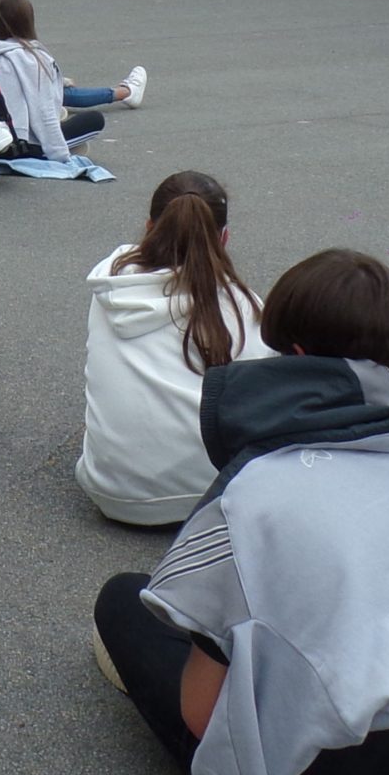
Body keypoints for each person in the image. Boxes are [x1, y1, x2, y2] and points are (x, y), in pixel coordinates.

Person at [91, 249, 389, 775]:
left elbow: (203, 715)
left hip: (310, 765)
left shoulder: (251, 501)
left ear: (295, 356)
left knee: (125, 601)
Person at [77, 172, 275, 525]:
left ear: (150, 226)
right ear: (224, 238)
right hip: (209, 497)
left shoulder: (110, 283)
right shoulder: (240, 305)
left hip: (108, 491)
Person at [0, 0, 141, 163]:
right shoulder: (33, 58)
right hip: (19, 144)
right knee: (94, 119)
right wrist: (58, 151)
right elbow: (44, 112)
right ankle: (123, 94)